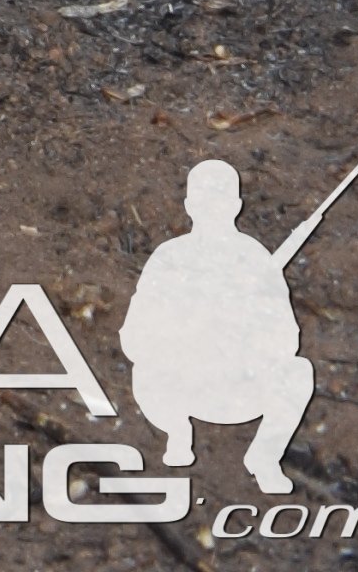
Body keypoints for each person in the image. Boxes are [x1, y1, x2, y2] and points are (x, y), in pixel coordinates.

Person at [120, 156, 318, 492]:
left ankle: (265, 456)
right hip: (181, 385)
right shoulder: (169, 258)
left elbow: (287, 339)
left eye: (220, 200)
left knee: (298, 372)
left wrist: (245, 332)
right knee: (145, 371)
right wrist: (187, 330)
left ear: (235, 205)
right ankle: (178, 433)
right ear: (189, 205)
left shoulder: (256, 260)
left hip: (239, 386)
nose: (212, 209)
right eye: (204, 200)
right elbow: (134, 336)